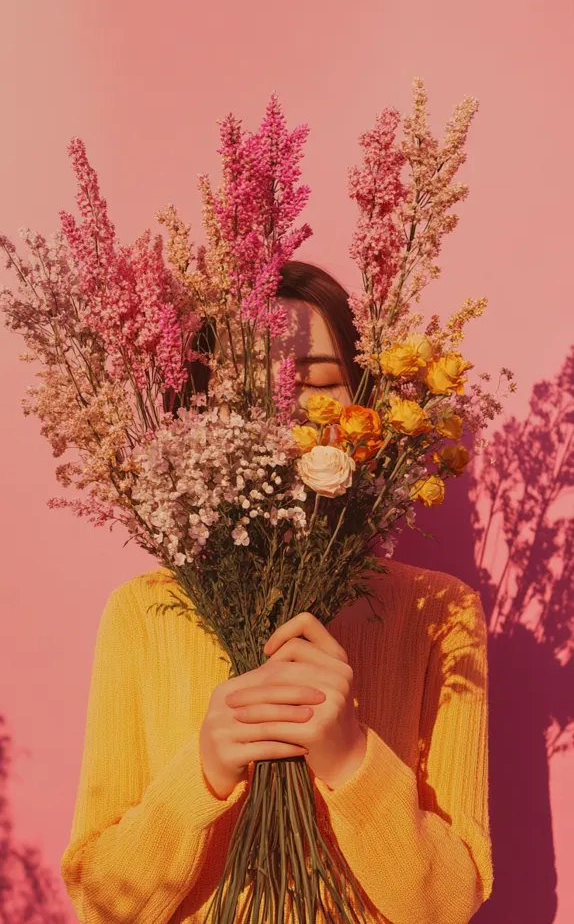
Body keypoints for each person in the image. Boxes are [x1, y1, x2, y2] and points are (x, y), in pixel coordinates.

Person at [60, 260, 493, 923]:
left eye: (319, 384)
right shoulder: (143, 612)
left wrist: (351, 759)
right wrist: (202, 772)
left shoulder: (440, 614)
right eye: (243, 395)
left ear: (372, 411)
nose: (283, 417)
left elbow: (447, 904)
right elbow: (99, 901)